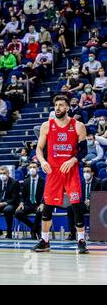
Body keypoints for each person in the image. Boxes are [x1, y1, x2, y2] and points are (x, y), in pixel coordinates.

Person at [32, 95, 89, 254]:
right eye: (56, 105)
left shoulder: (78, 125)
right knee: (47, 206)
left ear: (67, 108)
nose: (57, 108)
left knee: (77, 205)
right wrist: (42, 161)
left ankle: (81, 240)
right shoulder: (46, 126)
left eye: (61, 105)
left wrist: (73, 160)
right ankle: (44, 240)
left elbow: (84, 150)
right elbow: (39, 149)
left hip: (71, 170)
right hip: (53, 171)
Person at [65, 165, 102, 240]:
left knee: (97, 209)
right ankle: (72, 233)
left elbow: (102, 196)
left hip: (95, 205)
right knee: (71, 208)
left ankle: (96, 234)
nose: (85, 173)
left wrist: (93, 201)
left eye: (88, 171)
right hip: (84, 205)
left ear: (92, 173)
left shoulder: (98, 182)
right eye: (84, 171)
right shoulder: (80, 182)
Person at [15, 162, 45, 239]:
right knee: (18, 213)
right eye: (30, 167)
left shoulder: (43, 181)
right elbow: (23, 196)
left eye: (34, 167)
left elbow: (45, 195)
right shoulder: (26, 181)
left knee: (40, 212)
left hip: (38, 204)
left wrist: (42, 203)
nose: (32, 169)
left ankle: (33, 231)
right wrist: (21, 203)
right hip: (28, 204)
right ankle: (35, 228)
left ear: (38, 169)